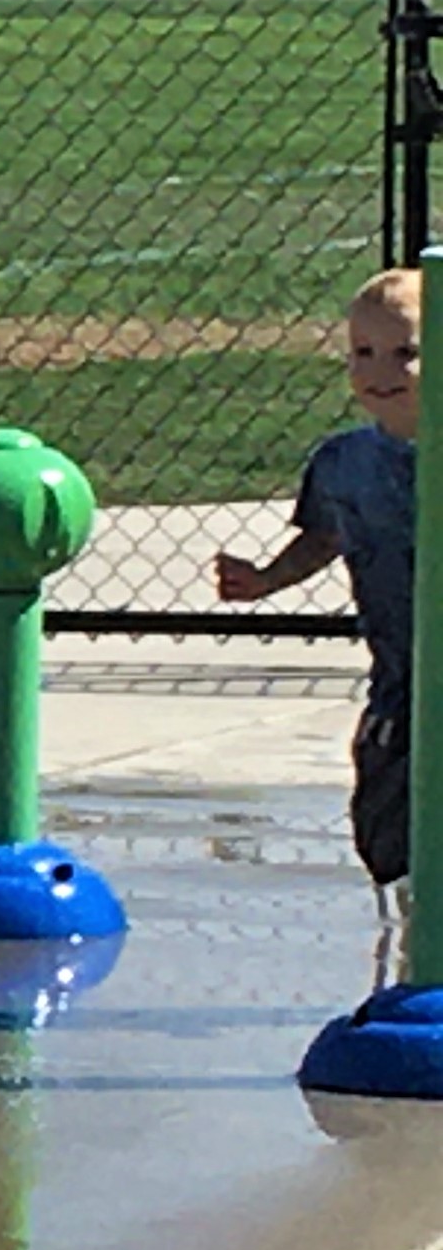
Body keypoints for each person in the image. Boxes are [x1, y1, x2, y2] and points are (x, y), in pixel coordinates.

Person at [220, 267, 420, 963]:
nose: (381, 371)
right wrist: (267, 578)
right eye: (363, 353)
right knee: (383, 818)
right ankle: (409, 929)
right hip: (400, 675)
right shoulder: (343, 463)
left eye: (407, 353)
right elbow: (325, 535)